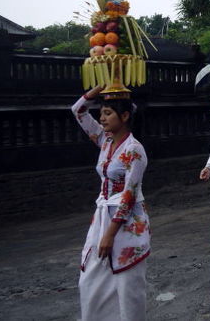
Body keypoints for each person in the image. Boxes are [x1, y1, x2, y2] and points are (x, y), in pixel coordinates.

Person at [71, 85, 149, 321]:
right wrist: (98, 89)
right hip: (103, 216)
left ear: (124, 116)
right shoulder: (104, 140)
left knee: (127, 284)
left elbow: (129, 195)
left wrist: (110, 234)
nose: (101, 118)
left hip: (127, 222)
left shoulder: (135, 150)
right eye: (101, 113)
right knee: (91, 278)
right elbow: (78, 110)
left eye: (108, 113)